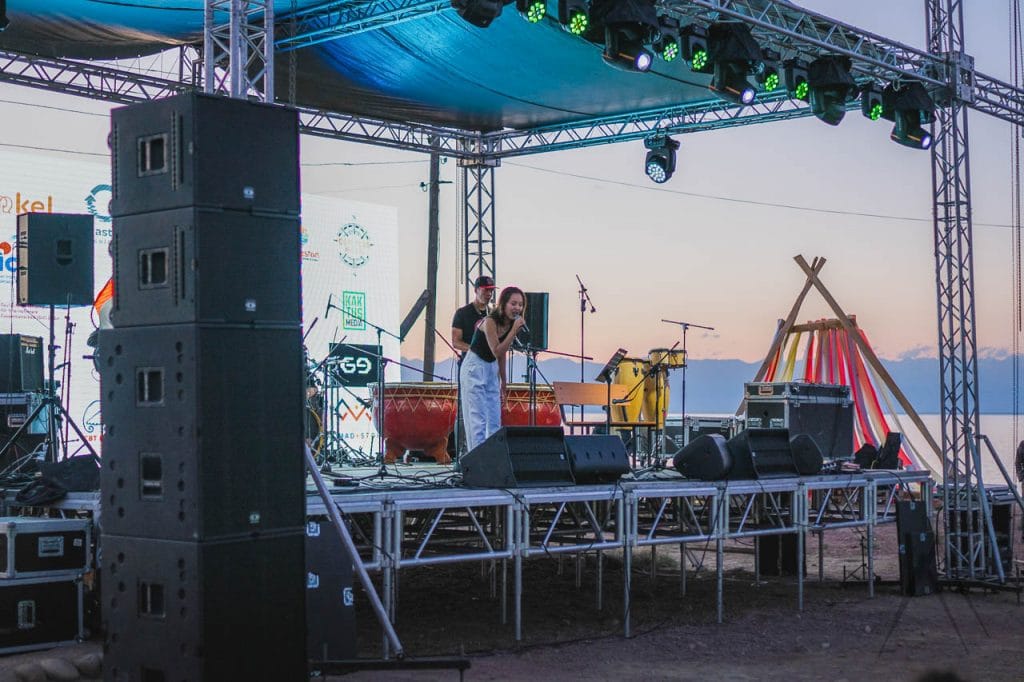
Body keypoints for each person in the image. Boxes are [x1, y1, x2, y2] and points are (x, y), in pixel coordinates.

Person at [460, 286, 526, 451]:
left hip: (491, 368)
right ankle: (477, 461)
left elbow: (502, 355)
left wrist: (504, 380)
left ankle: (493, 459)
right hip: (474, 366)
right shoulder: (490, 321)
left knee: (494, 419)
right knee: (478, 418)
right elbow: (496, 350)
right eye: (513, 303)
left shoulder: (510, 324)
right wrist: (513, 331)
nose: (517, 308)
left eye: (520, 304)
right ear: (503, 304)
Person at [451, 275, 496, 357]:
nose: (489, 294)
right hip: (470, 365)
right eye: (485, 290)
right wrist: (475, 350)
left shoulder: (493, 314)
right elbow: (456, 342)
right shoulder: (462, 313)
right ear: (476, 290)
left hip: (490, 365)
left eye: (491, 290)